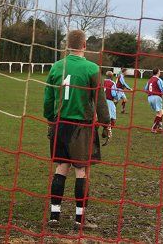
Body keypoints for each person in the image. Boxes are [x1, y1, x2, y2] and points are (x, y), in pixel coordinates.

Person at [43, 30, 111, 230]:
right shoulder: (91, 68)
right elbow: (100, 100)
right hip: (81, 127)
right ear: (84, 46)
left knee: (61, 167)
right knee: (81, 170)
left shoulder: (56, 67)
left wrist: (50, 119)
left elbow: (48, 98)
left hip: (60, 124)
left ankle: (54, 216)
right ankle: (79, 220)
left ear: (67, 46)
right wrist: (106, 123)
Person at [144, 68, 163, 133]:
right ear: (158, 72)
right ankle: (154, 128)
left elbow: (145, 89)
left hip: (150, 98)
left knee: (161, 112)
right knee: (160, 113)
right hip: (156, 97)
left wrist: (151, 93)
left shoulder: (149, 80)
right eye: (160, 71)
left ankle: (160, 126)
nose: (160, 72)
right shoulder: (159, 80)